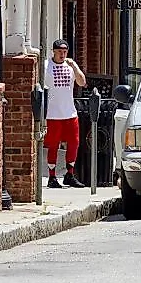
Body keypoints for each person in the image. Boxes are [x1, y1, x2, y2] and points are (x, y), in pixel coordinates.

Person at [43, 39, 84, 189]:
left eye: (64, 51)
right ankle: (52, 176)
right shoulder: (46, 66)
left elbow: (81, 82)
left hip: (70, 112)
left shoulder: (70, 66)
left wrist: (74, 66)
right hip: (53, 113)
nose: (62, 54)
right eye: (59, 51)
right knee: (53, 144)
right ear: (53, 51)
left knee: (74, 142)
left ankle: (69, 174)